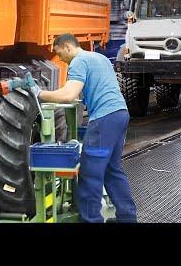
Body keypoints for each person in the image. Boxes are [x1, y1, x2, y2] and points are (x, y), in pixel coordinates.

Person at [29, 33, 138, 223]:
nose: (60, 58)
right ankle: (128, 218)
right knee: (112, 170)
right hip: (120, 114)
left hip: (104, 118)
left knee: (89, 173)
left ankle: (91, 220)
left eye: (59, 52)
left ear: (68, 47)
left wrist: (40, 93)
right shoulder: (99, 58)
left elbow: (68, 95)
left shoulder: (78, 62)